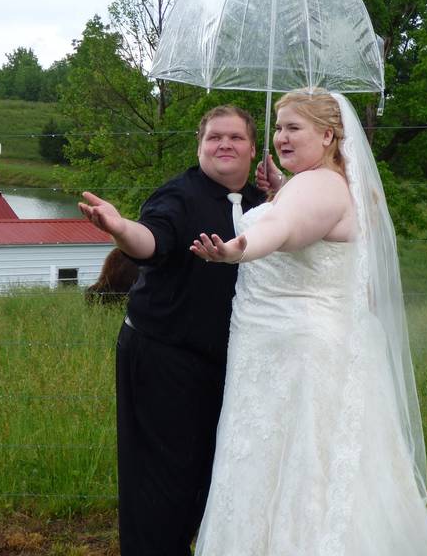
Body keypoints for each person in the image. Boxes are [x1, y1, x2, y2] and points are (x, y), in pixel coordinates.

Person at [190, 90, 427, 554]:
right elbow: (299, 220)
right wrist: (280, 189)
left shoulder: (315, 187)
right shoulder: (327, 182)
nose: (280, 137)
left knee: (299, 471)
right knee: (319, 466)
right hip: (299, 348)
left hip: (293, 359)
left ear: (328, 134)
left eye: (293, 128)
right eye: (278, 128)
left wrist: (239, 249)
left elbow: (284, 231)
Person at [78, 105, 266, 556]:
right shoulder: (178, 196)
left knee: (212, 476)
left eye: (235, 138)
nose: (224, 145)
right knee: (161, 484)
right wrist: (122, 228)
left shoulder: (264, 203)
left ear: (253, 149)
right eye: (214, 137)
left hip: (229, 361)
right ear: (199, 146)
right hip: (164, 355)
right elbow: (153, 240)